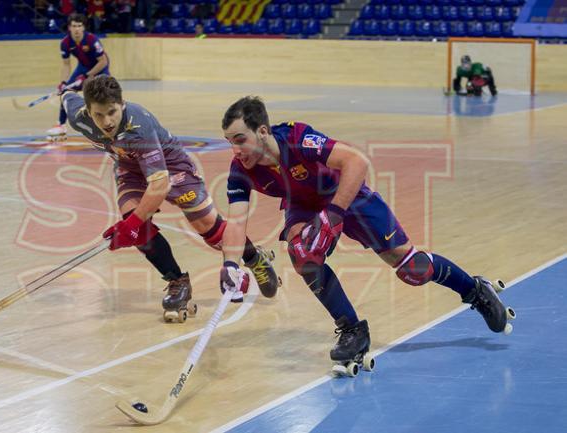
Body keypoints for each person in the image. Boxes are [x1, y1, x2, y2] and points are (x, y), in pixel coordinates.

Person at [218, 96, 514, 368]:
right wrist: (230, 265)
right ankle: (352, 331)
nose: (235, 149)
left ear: (263, 132)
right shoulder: (240, 170)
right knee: (303, 255)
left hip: (346, 195)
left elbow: (357, 161)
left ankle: (475, 291)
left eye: (240, 139)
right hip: (303, 205)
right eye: (229, 141)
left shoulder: (297, 139)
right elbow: (235, 222)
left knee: (413, 269)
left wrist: (333, 215)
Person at [60, 77, 280, 322]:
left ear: (122, 104)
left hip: (173, 169)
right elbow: (67, 98)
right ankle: (177, 282)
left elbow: (159, 184)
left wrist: (130, 226)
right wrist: (66, 90)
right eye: (99, 115)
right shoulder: (78, 117)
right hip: (129, 169)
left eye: (112, 112)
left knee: (208, 228)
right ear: (88, 112)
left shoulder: (138, 126)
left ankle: (253, 258)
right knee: (137, 224)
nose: (107, 121)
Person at [47, 13, 110, 141]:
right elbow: (66, 64)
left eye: (79, 26)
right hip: (83, 68)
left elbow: (103, 61)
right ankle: (61, 125)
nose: (76, 29)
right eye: (74, 26)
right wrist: (63, 82)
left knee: (103, 96)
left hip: (100, 68)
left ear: (84, 27)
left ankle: (108, 126)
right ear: (69, 27)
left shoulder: (92, 40)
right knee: (66, 92)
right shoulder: (65, 43)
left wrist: (87, 76)